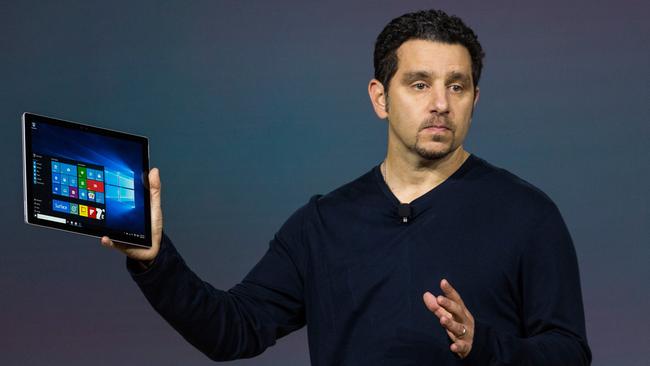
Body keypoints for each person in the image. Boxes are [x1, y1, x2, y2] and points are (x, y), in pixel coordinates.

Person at [102, 9, 592, 365]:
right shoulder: (323, 224)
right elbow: (232, 330)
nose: (441, 103)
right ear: (380, 97)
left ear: (474, 99)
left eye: (456, 86)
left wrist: (482, 345)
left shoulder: (528, 215)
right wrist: (153, 258)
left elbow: (569, 355)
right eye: (419, 84)